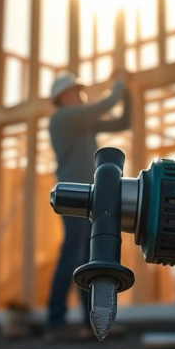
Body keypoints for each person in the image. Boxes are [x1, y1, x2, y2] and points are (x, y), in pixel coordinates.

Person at [46, 71, 132, 333]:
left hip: (90, 196)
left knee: (85, 259)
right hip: (74, 195)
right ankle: (56, 322)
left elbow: (122, 123)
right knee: (72, 254)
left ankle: (87, 322)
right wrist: (119, 84)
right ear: (62, 97)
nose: (81, 95)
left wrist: (127, 93)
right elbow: (104, 106)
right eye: (75, 91)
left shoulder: (82, 122)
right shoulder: (63, 118)